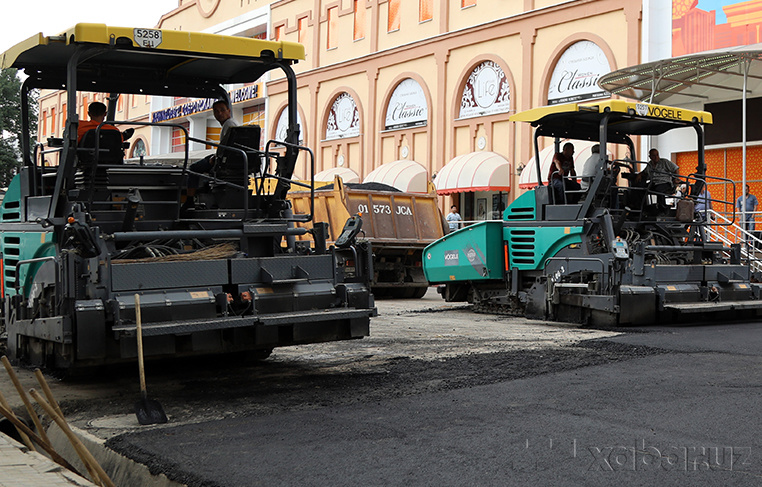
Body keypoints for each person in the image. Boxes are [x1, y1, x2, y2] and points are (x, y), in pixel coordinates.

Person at [185, 99, 240, 207]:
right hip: (227, 160)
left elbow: (226, 148)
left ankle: (189, 201)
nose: (219, 113)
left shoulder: (229, 125)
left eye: (222, 110)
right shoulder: (232, 123)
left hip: (223, 162)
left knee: (193, 169)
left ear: (229, 111)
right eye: (216, 111)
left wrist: (215, 158)